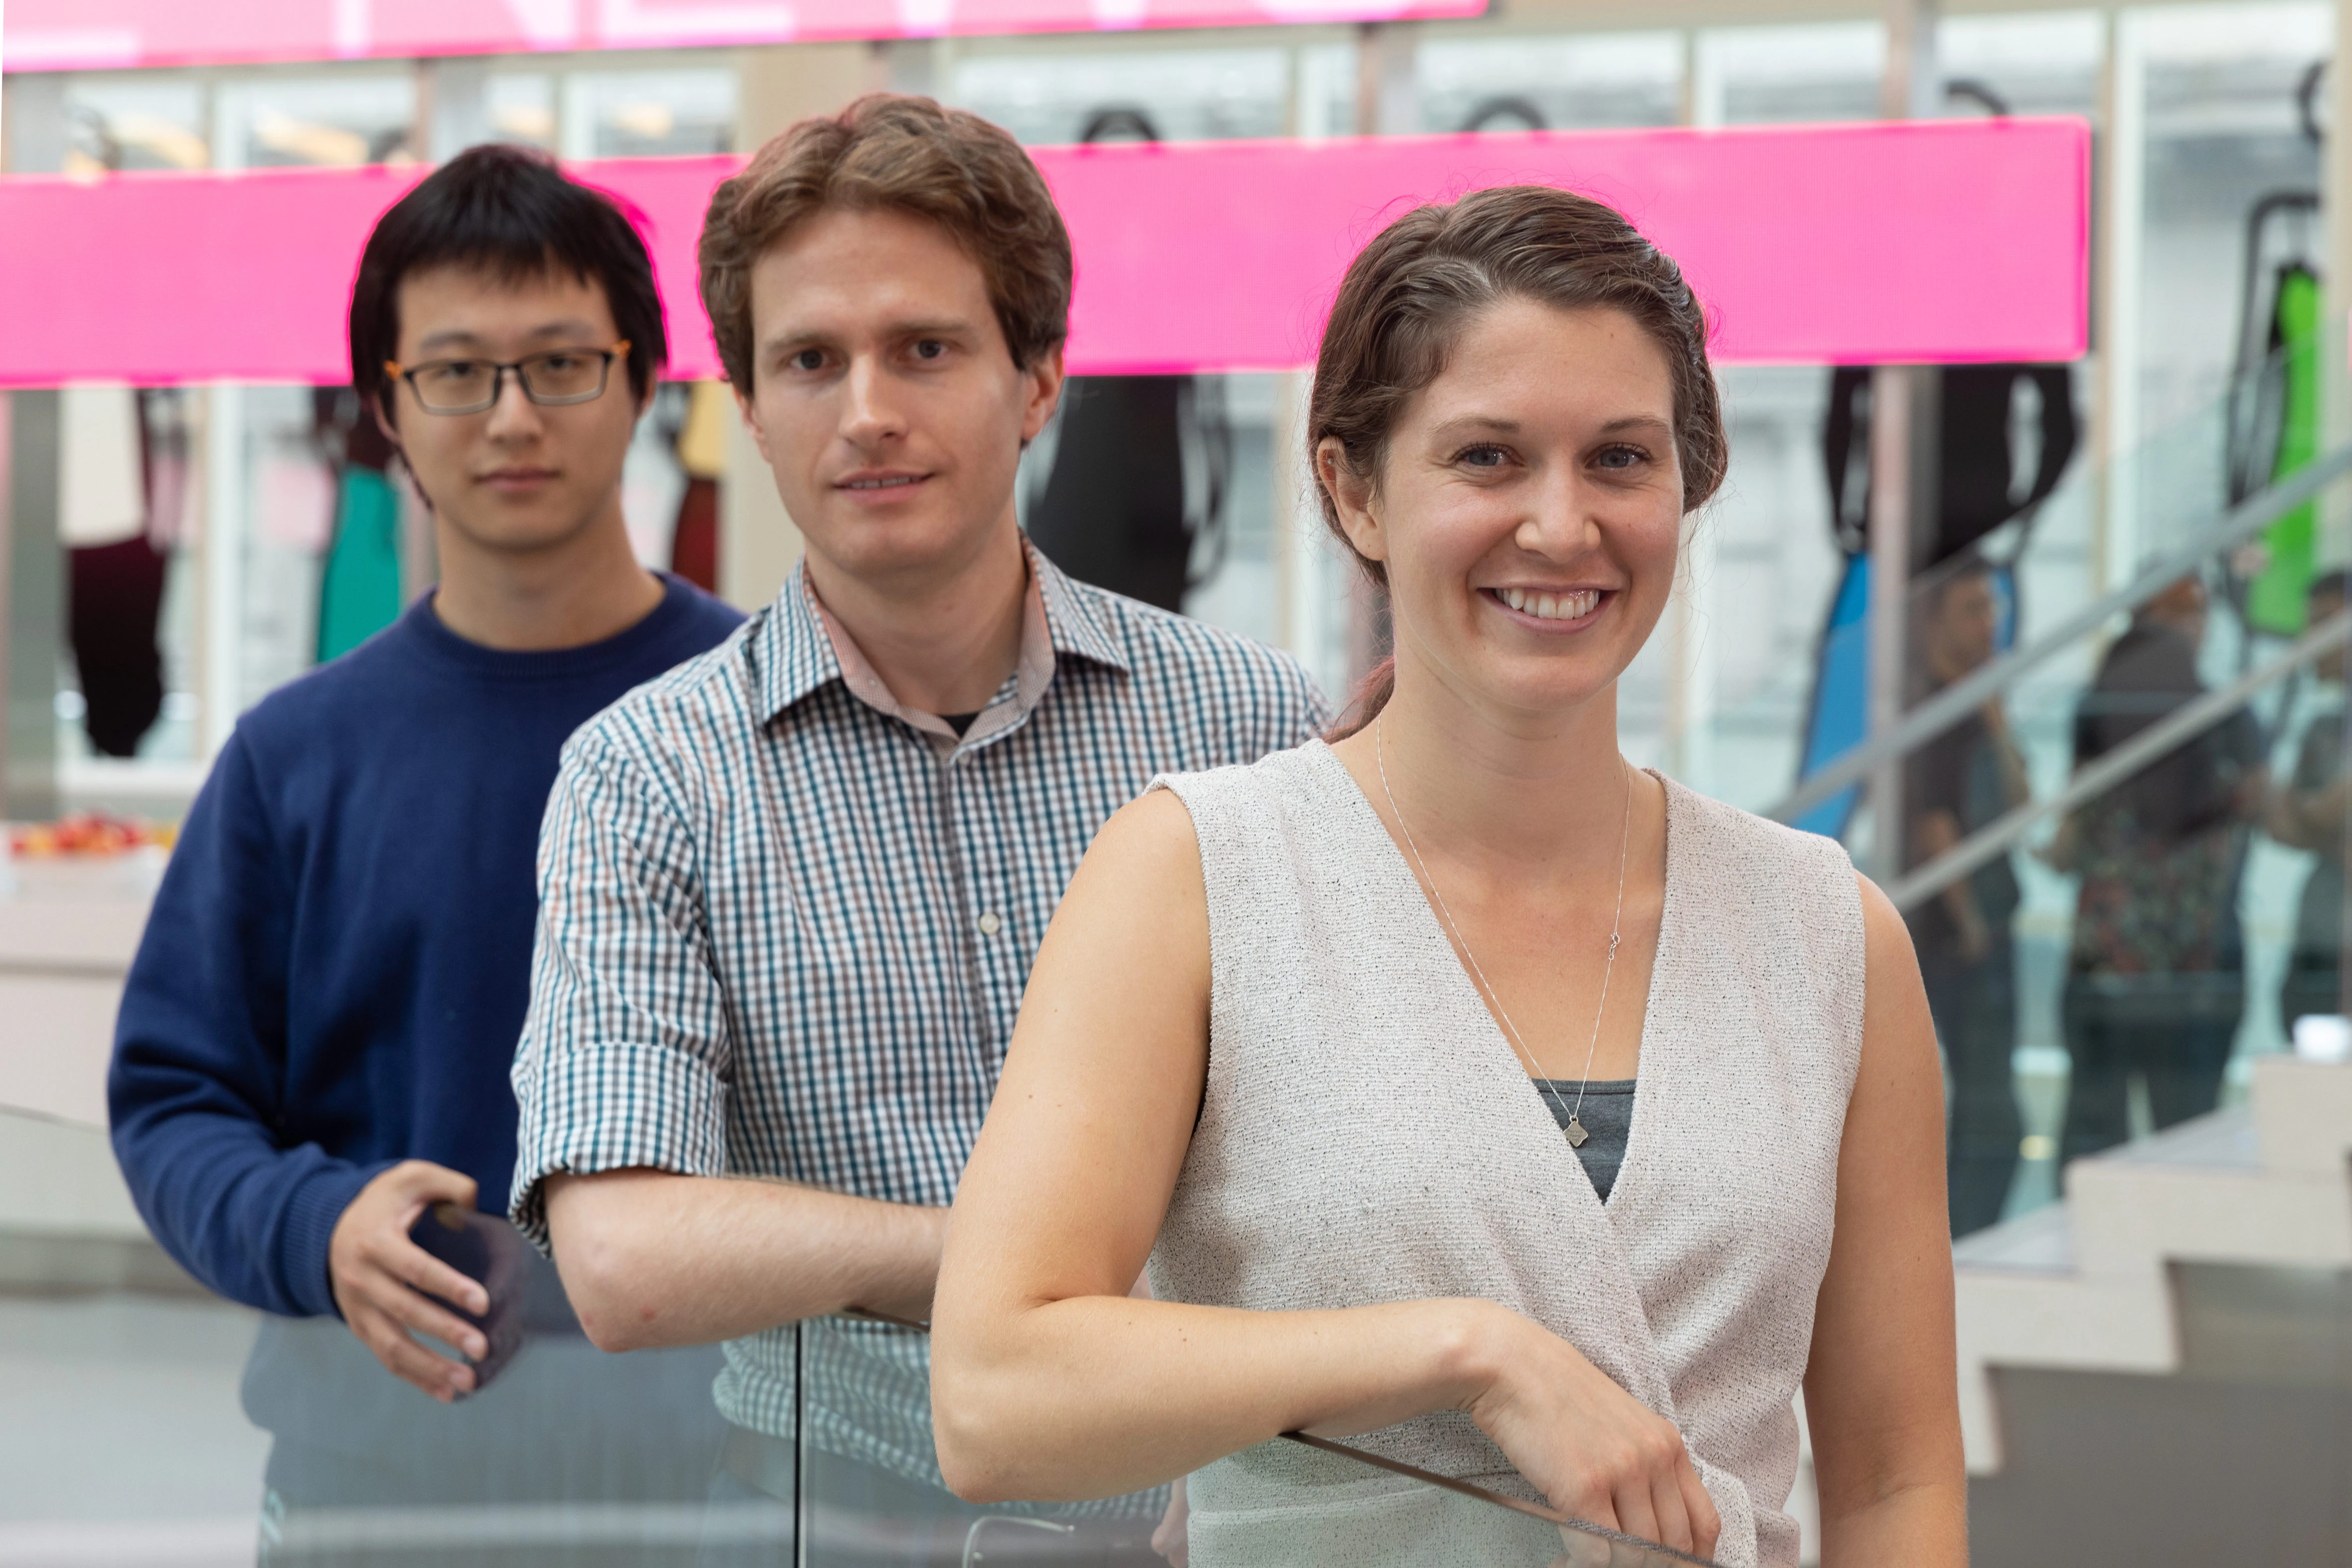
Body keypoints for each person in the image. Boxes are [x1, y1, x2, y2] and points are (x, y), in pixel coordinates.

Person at [929, 186, 1965, 1568]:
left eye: (1620, 459)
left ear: (1687, 488)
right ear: (1355, 488)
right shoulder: (1197, 875)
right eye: (1487, 457)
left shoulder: (1828, 933)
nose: (1560, 525)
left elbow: (1897, 1482)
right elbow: (995, 1394)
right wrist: (1469, 1352)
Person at [506, 94, 1326, 1562]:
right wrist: (1010, 1275)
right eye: (811, 360)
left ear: (1037, 381)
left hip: (1225, 1520)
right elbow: (621, 1253)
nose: (867, 408)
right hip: (832, 1521)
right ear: (746, 408)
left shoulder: (1250, 724)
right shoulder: (646, 772)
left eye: (926, 349)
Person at [107, 145, 745, 1560]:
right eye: (455, 370)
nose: (511, 416)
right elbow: (173, 1099)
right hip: (374, 1468)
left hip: (729, 1472)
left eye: (561, 362)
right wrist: (316, 1224)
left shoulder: (765, 714)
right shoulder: (296, 755)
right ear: (386, 410)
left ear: (645, 381)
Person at [2046, 575, 2265, 1162]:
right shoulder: (2114, 709)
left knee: (2176, 1142)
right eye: (2176, 615)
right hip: (2148, 965)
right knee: (2123, 1138)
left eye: (2194, 613)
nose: (2191, 629)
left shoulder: (2216, 716)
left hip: (2177, 964)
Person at [1904, 563, 2031, 1236]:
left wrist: (1998, 718)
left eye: (1994, 607)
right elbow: (1934, 827)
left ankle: (1965, 1242)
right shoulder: (1929, 711)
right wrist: (1969, 920)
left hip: (1992, 924)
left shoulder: (1977, 707)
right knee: (1992, 1113)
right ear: (1935, 623)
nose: (1990, 622)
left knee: (1987, 1100)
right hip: (1955, 937)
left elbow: (2021, 804)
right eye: (1974, 608)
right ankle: (1961, 1247)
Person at [2266, 570, 2351, 1032]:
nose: (2310, 641)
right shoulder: (2322, 726)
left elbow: (2317, 812)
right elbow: (2281, 822)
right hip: (2321, 938)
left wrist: (2315, 818)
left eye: (2326, 622)